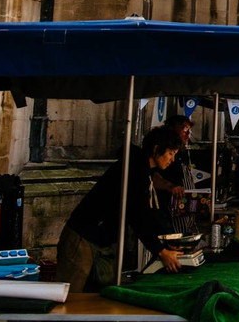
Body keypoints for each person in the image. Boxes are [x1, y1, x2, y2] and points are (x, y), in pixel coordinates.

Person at [57, 126, 184, 289]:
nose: (172, 159)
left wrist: (164, 243)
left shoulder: (143, 170)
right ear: (156, 149)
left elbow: (145, 213)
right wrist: (161, 251)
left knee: (100, 296)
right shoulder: (134, 169)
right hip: (83, 237)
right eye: (170, 153)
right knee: (71, 295)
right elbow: (137, 214)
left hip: (103, 241)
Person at [151, 115, 192, 199]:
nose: (188, 134)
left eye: (189, 131)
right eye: (184, 130)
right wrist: (169, 186)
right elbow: (153, 175)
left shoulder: (184, 153)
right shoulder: (145, 167)